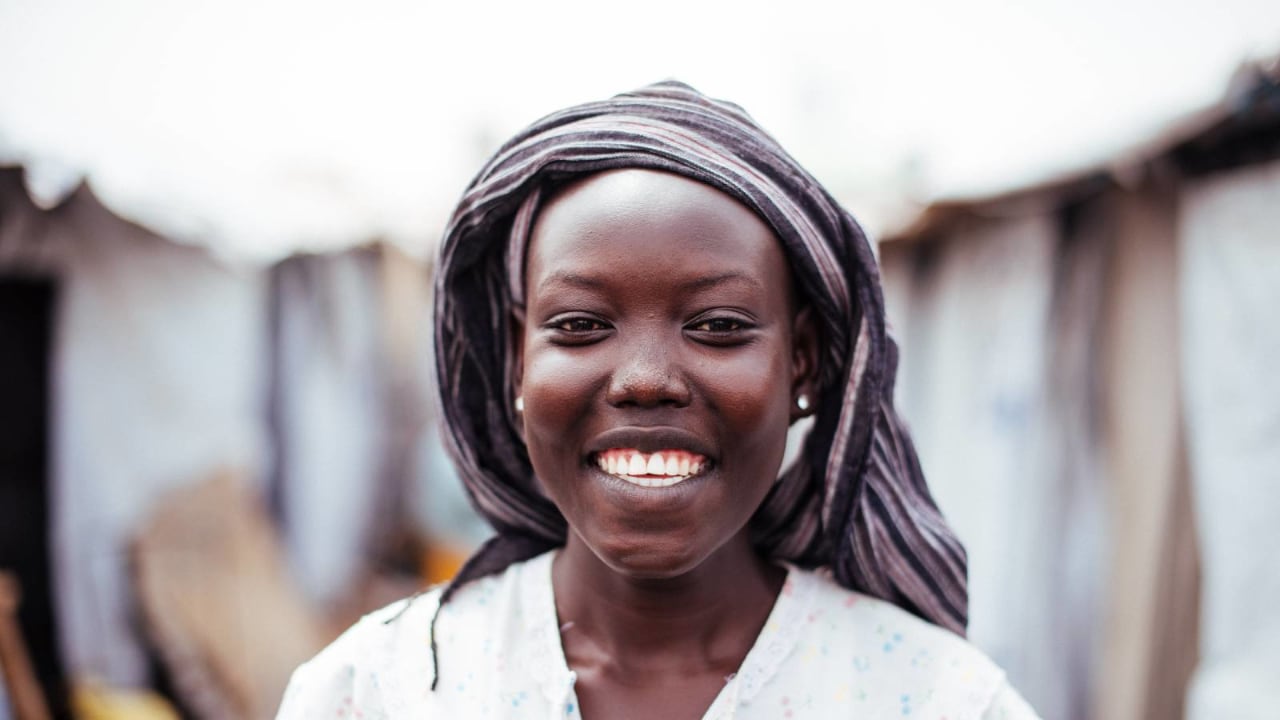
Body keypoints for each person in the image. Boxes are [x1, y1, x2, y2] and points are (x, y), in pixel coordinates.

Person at [276, 81, 1039, 719]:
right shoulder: (376, 692)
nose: (644, 378)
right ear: (515, 358)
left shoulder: (938, 701)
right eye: (579, 325)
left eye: (717, 326)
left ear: (803, 361)